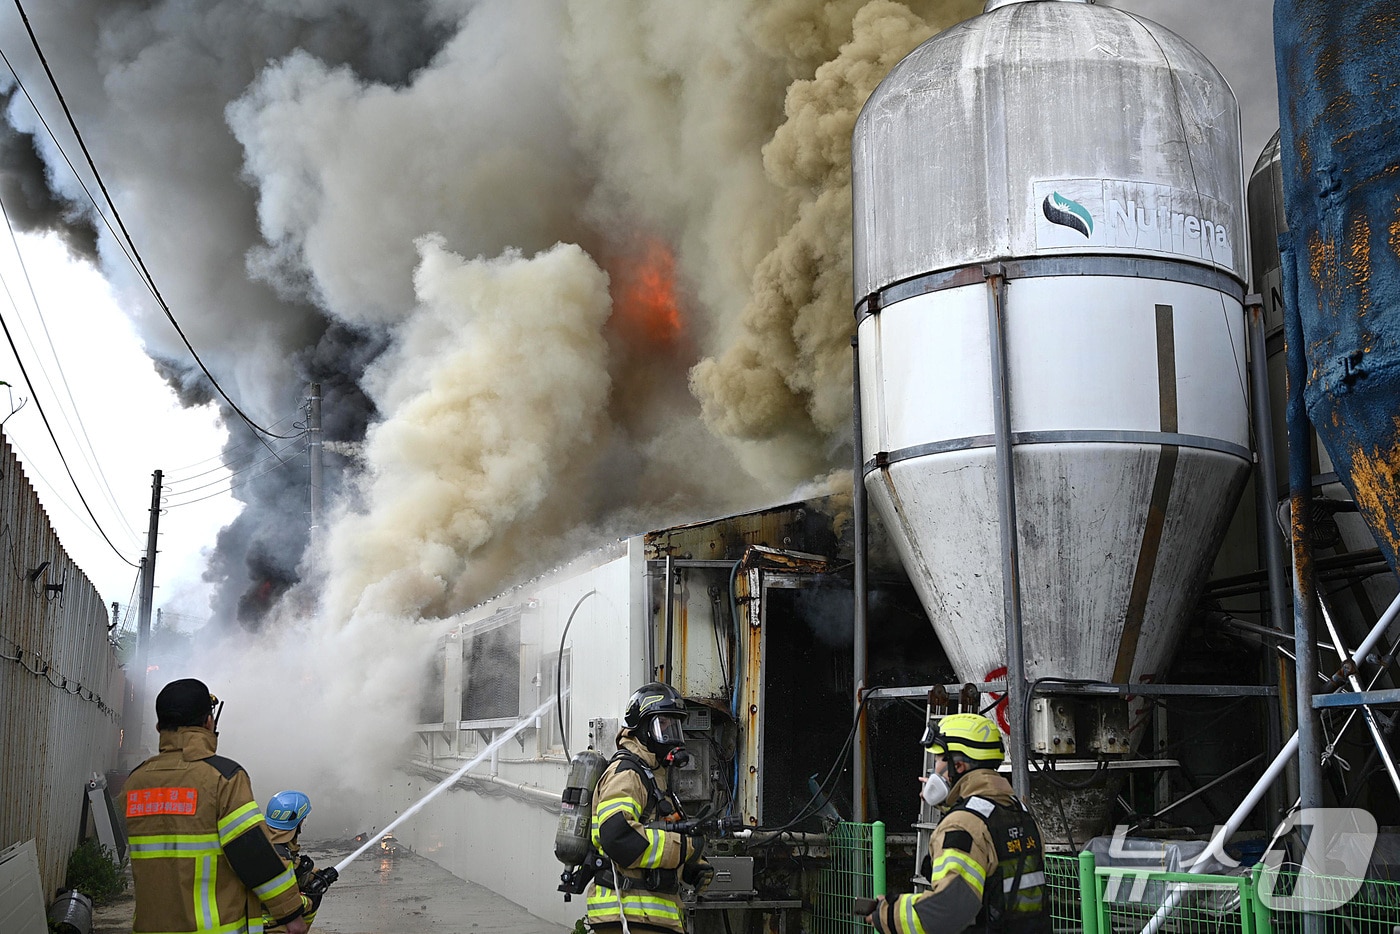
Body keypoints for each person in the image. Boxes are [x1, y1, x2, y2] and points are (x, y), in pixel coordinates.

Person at [124, 678, 309, 934]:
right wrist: (291, 913)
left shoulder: (136, 781)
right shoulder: (223, 777)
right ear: (208, 722)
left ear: (159, 726)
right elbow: (253, 855)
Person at [866, 712, 1050, 934]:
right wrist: (952, 804)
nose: (934, 770)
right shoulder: (1019, 811)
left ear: (958, 766)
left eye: (938, 760)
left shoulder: (961, 826)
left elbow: (948, 911)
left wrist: (886, 914)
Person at [587, 682, 712, 934]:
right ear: (642, 728)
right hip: (628, 915)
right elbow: (618, 837)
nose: (671, 735)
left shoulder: (654, 777)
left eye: (675, 726)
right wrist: (685, 849)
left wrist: (693, 866)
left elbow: (656, 832)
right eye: (663, 724)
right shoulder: (627, 774)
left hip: (647, 918)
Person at [263, 790, 321, 932]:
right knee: (314, 896)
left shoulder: (262, 841)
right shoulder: (280, 858)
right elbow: (287, 901)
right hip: (269, 925)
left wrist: (314, 874)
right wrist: (310, 899)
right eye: (303, 819)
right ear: (296, 822)